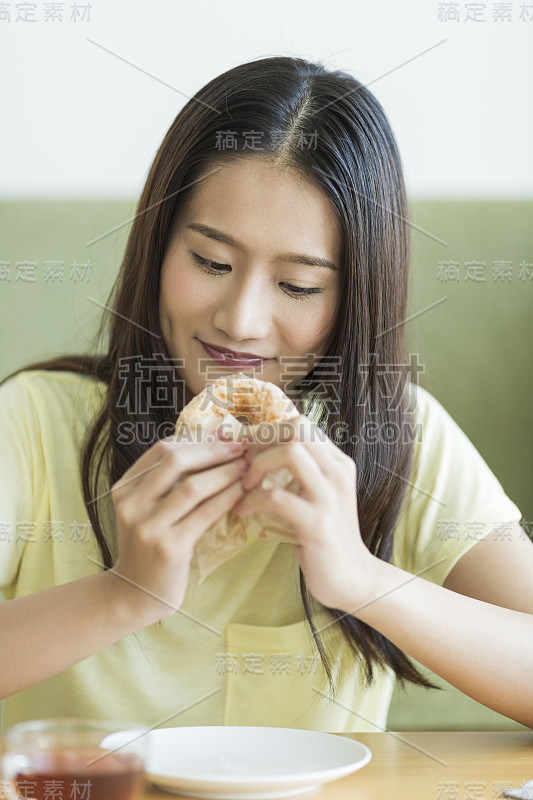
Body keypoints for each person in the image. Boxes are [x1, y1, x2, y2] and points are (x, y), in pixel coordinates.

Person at [1, 55, 532, 735]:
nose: (241, 320)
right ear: (157, 247)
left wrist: (360, 579)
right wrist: (123, 594)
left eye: (298, 286)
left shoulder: (395, 434)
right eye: (211, 263)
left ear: (353, 297)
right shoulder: (34, 420)